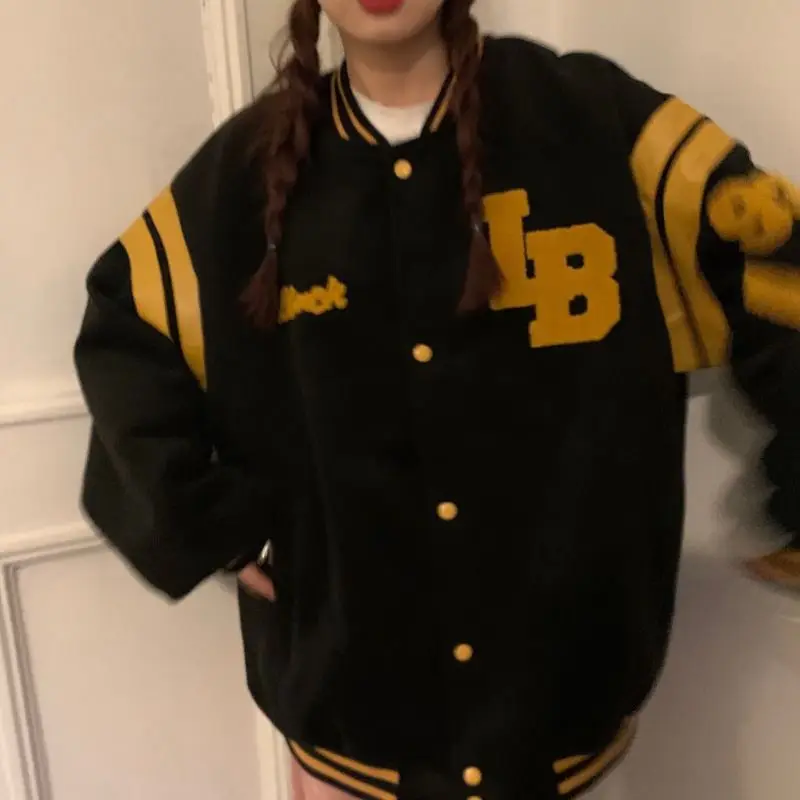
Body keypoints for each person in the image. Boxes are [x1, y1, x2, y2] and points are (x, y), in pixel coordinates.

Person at [74, 0, 800, 798]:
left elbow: (775, 257)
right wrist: (207, 524)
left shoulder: (598, 124)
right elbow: (126, 335)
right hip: (351, 731)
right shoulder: (241, 176)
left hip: (559, 702)